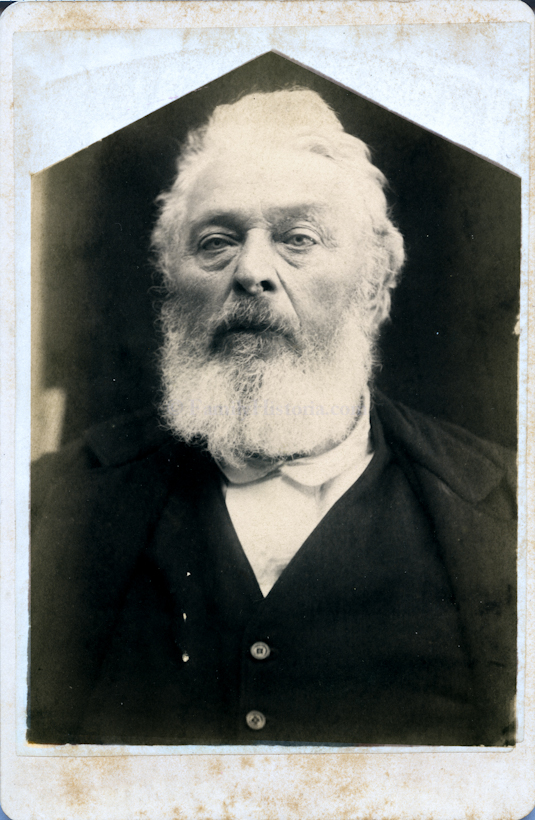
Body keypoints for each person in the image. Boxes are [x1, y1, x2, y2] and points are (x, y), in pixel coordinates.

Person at [29, 89, 517, 747]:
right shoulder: (46, 505)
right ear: (171, 285)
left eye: (298, 239)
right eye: (216, 242)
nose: (251, 271)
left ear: (375, 285)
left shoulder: (508, 511)